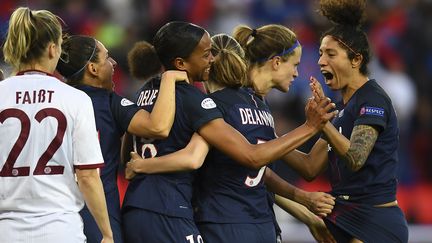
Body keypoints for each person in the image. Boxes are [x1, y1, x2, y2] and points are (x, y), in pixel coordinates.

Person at [121, 21, 336, 243]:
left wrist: (305, 208)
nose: (297, 73)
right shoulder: (214, 105)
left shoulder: (255, 104)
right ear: (276, 61)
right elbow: (248, 158)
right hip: (207, 217)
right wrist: (312, 127)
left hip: (244, 218)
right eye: (295, 64)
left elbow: (260, 171)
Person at [281, 0, 409, 242]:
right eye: (320, 54)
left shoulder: (373, 100)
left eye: (330, 54)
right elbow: (310, 167)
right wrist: (269, 139)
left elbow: (356, 158)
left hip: (375, 221)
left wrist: (321, 124)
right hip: (345, 215)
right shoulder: (339, 109)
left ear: (356, 60)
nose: (321, 62)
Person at [56, 35, 188, 243]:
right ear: (93, 68)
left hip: (53, 217)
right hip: (98, 218)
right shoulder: (108, 101)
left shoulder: (55, 102)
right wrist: (169, 79)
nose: (114, 63)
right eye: (107, 58)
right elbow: (158, 126)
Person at [0, 7, 112, 243]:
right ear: (52, 49)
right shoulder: (76, 99)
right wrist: (106, 233)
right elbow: (88, 176)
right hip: (60, 228)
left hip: (7, 229)